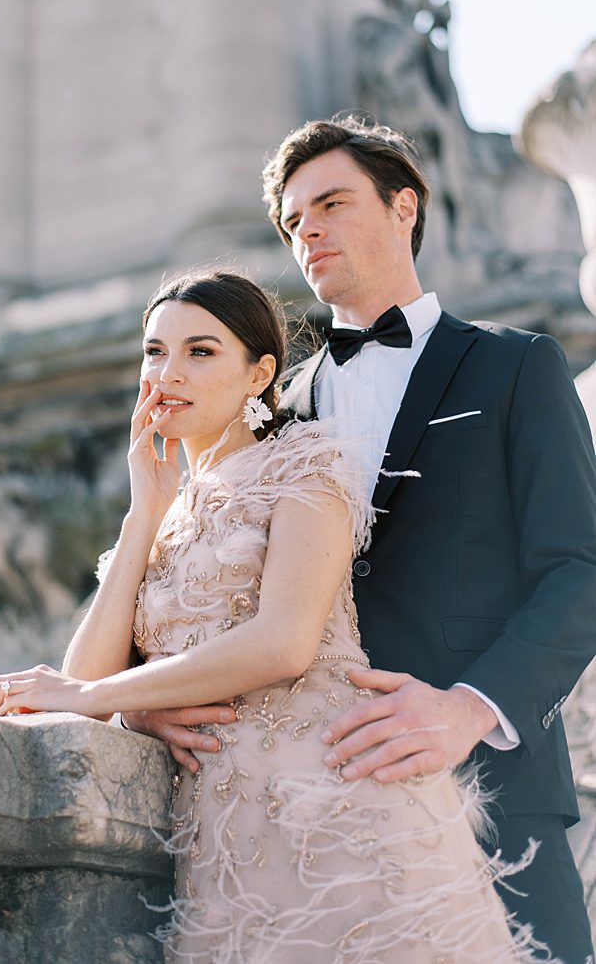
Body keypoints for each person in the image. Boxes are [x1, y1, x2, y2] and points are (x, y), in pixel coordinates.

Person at [124, 116, 596, 961]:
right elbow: (198, 570)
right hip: (303, 812)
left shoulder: (519, 366)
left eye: (332, 203)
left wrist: (469, 708)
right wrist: (149, 703)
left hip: (490, 777)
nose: (309, 229)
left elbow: (580, 570)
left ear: (404, 207)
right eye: (293, 220)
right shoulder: (265, 409)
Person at [0, 268, 549, 960]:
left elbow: (283, 643)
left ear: (259, 373)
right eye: (154, 351)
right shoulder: (161, 519)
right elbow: (80, 686)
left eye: (201, 351)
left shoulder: (309, 466)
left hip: (342, 804)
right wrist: (143, 512)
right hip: (224, 846)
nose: (169, 372)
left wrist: (101, 695)